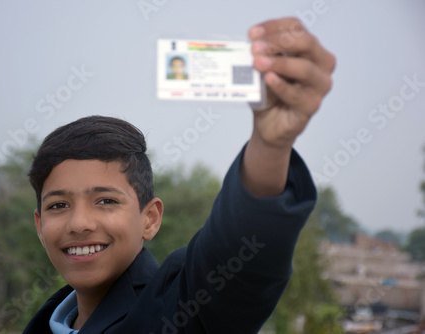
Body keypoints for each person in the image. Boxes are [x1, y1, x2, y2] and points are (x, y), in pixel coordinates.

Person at [23, 17, 335, 333]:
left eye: (105, 200)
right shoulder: (43, 325)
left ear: (150, 218)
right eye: (59, 205)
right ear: (39, 225)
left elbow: (239, 260)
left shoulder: (178, 309)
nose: (79, 223)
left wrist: (270, 144)